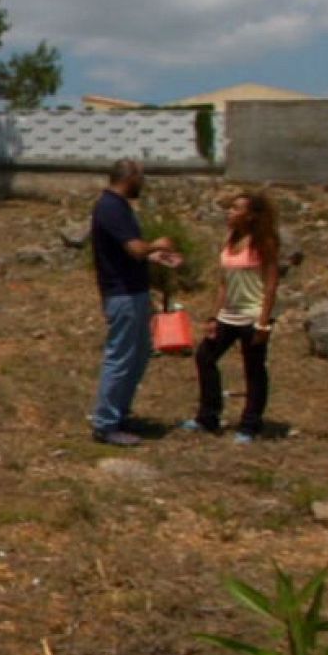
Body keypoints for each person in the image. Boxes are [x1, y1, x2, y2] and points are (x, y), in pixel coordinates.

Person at [89, 160, 178, 447]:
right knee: (121, 357)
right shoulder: (111, 207)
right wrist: (157, 245)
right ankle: (105, 423)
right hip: (123, 294)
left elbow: (127, 253)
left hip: (133, 291)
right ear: (130, 177)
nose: (144, 182)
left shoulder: (118, 206)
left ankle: (119, 413)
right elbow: (135, 248)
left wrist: (155, 258)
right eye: (141, 177)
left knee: (138, 355)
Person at [180, 192, 281, 444]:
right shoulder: (229, 240)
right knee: (205, 356)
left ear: (251, 215)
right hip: (229, 314)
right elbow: (223, 284)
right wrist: (214, 316)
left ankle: (250, 424)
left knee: (254, 369)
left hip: (251, 315)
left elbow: (270, 284)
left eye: (237, 209)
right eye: (231, 208)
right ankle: (208, 417)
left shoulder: (264, 243)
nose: (230, 212)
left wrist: (264, 321)